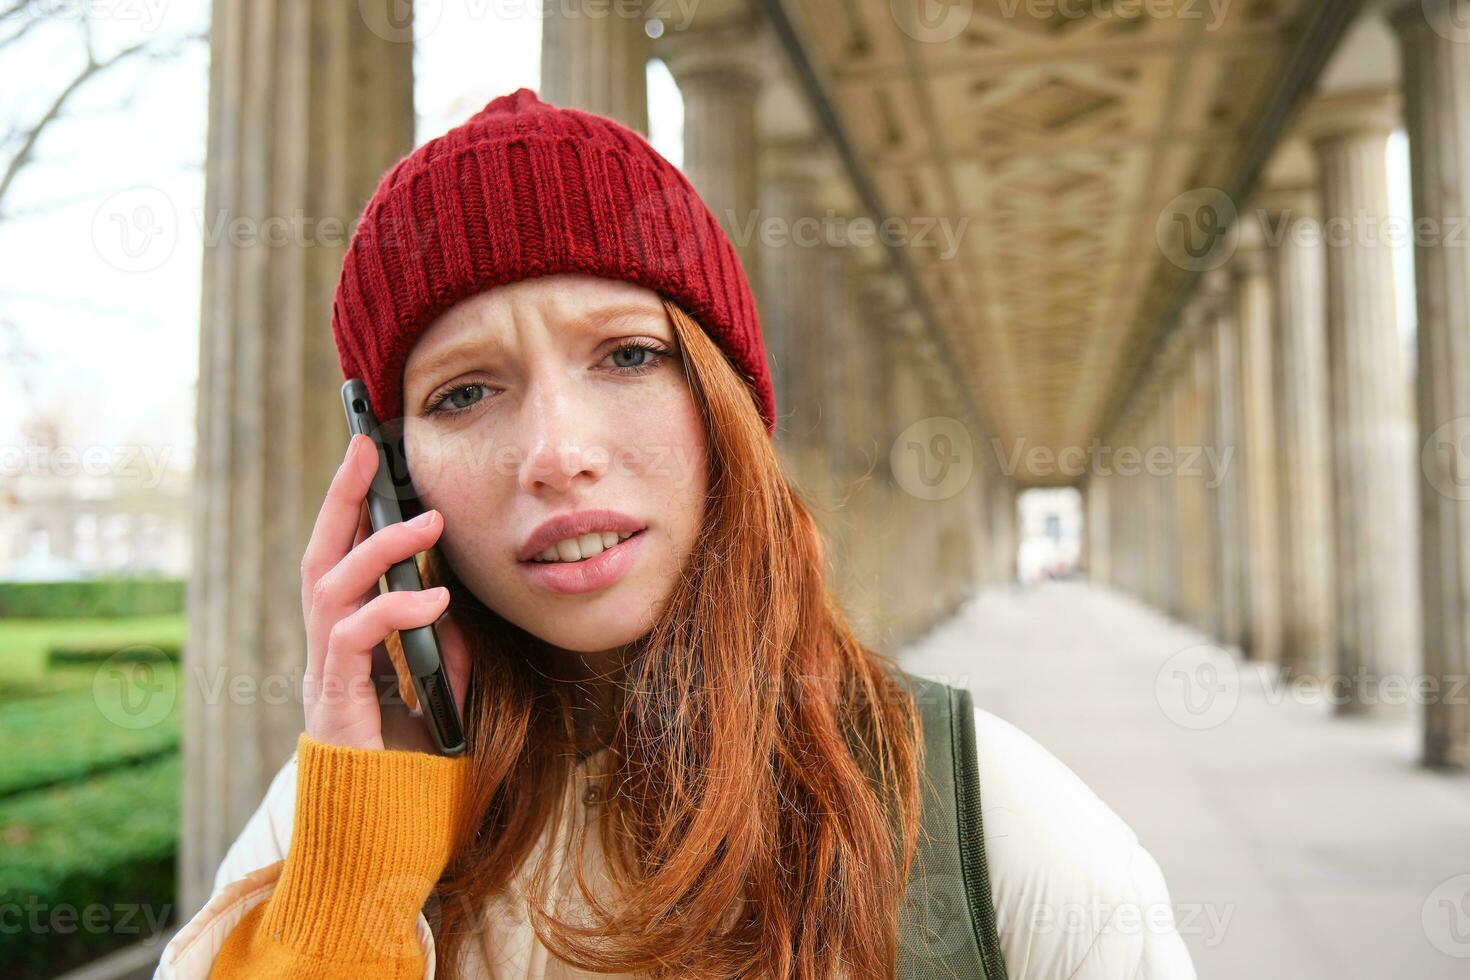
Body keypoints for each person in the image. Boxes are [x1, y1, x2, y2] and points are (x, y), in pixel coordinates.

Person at [154, 88, 1197, 980]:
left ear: (727, 407)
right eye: (465, 391)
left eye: (626, 355)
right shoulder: (330, 816)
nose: (556, 452)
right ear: (387, 472)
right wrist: (356, 876)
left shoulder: (995, 829)